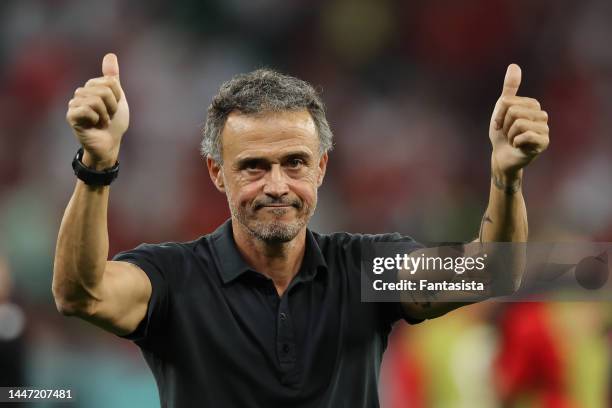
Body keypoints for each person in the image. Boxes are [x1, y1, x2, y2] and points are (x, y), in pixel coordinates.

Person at [52, 53, 549, 407]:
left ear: (321, 168)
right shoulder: (175, 279)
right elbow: (81, 294)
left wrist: (507, 175)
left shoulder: (365, 271)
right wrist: (97, 165)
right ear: (216, 173)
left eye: (294, 163)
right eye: (253, 166)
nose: (277, 185)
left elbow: (492, 271)